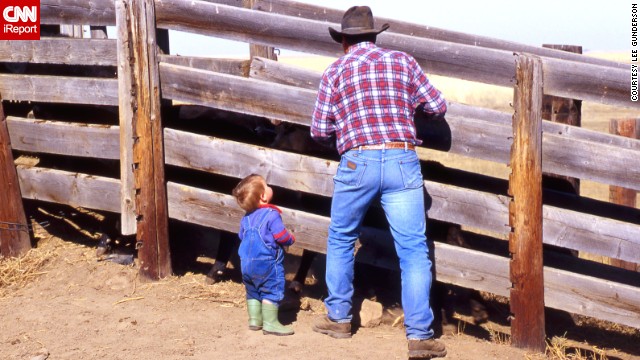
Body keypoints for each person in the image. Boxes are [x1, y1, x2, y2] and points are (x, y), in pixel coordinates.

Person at [310, 5, 448, 359]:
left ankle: (339, 317)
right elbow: (437, 106)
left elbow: (319, 130)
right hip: (402, 158)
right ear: (374, 36)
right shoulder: (402, 61)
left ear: (344, 40)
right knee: (414, 249)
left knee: (341, 237)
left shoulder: (335, 71)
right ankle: (419, 336)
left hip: (358, 160)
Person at [232, 174, 296, 336]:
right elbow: (280, 235)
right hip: (266, 263)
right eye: (266, 185)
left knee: (252, 291)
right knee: (271, 290)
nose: (269, 187)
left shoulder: (246, 218)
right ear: (263, 196)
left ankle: (254, 320)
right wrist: (290, 239)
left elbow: (241, 237)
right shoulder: (271, 214)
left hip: (246, 264)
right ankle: (270, 323)